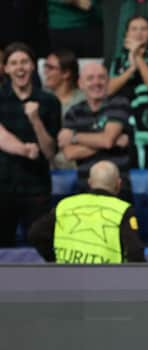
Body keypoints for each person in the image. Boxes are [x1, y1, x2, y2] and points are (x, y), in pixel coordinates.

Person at [0, 42, 61, 247]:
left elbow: (51, 152)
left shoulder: (50, 101)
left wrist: (35, 120)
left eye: (24, 62)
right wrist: (24, 150)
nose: (20, 67)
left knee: (41, 248)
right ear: (6, 68)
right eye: (14, 63)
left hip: (37, 187)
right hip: (3, 187)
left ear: (33, 65)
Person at [27, 160, 145, 263]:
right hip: (108, 281)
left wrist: (54, 260)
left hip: (67, 279)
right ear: (119, 184)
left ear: (90, 182)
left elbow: (35, 234)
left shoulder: (65, 205)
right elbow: (135, 252)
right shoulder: (122, 210)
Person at [58, 62, 134, 202]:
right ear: (80, 83)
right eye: (90, 78)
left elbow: (107, 140)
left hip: (118, 189)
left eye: (101, 77)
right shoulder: (73, 112)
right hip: (85, 189)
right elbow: (70, 153)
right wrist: (111, 142)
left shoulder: (119, 103)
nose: (96, 82)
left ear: (108, 81)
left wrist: (74, 137)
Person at [108, 15, 148, 187]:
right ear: (126, 34)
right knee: (127, 181)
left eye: (143, 29)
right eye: (134, 29)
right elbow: (110, 89)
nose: (139, 33)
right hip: (125, 125)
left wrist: (138, 57)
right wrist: (131, 68)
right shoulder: (119, 60)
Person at [43, 49, 85, 117]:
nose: (45, 71)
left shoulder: (83, 100)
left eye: (50, 68)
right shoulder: (41, 98)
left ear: (66, 73)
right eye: (45, 66)